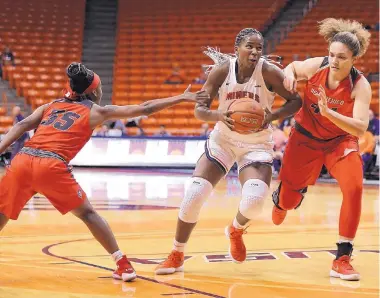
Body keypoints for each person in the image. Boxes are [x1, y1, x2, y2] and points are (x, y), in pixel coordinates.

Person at [0, 62, 208, 281]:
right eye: (99, 88)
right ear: (93, 91)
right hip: (51, 165)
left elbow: (20, 126)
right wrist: (182, 98)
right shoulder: (97, 111)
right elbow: (146, 108)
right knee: (88, 214)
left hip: (23, 160)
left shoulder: (49, 106)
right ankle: (123, 264)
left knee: (2, 212)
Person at [155, 28, 303, 275]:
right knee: (194, 195)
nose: (255, 51)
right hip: (223, 139)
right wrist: (218, 115)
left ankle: (235, 229)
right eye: (250, 46)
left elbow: (296, 100)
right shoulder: (221, 71)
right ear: (237, 49)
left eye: (259, 47)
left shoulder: (268, 71)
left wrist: (273, 115)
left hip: (256, 143)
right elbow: (200, 110)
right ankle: (177, 253)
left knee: (255, 202)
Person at [271, 18, 372, 281]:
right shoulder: (318, 66)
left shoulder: (360, 86)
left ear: (354, 59)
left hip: (340, 141)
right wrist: (291, 75)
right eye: (332, 54)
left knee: (355, 187)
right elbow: (292, 67)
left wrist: (329, 114)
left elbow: (360, 128)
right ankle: (283, 197)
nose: (335, 60)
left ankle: (342, 257)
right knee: (287, 203)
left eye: (342, 57)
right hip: (304, 139)